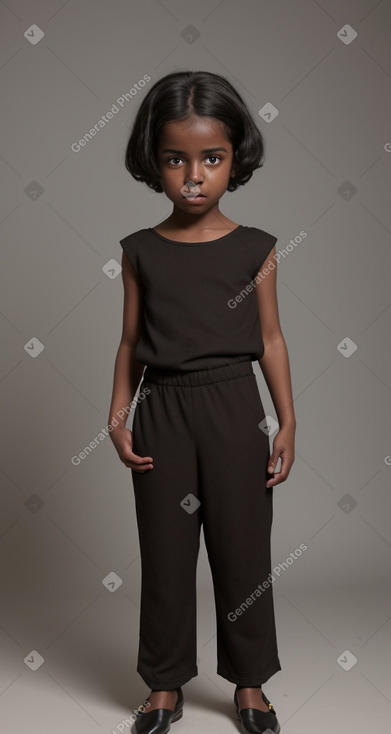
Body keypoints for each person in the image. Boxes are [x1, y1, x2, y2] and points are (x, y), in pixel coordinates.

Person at [108, 70, 296, 734]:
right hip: (161, 410)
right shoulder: (138, 251)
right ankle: (162, 685)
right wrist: (116, 414)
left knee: (242, 549)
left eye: (210, 158)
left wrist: (287, 421)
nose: (193, 176)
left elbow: (270, 337)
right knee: (164, 551)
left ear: (234, 157)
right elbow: (130, 341)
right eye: (175, 159)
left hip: (233, 411)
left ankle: (250, 686)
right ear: (152, 162)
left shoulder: (258, 250)